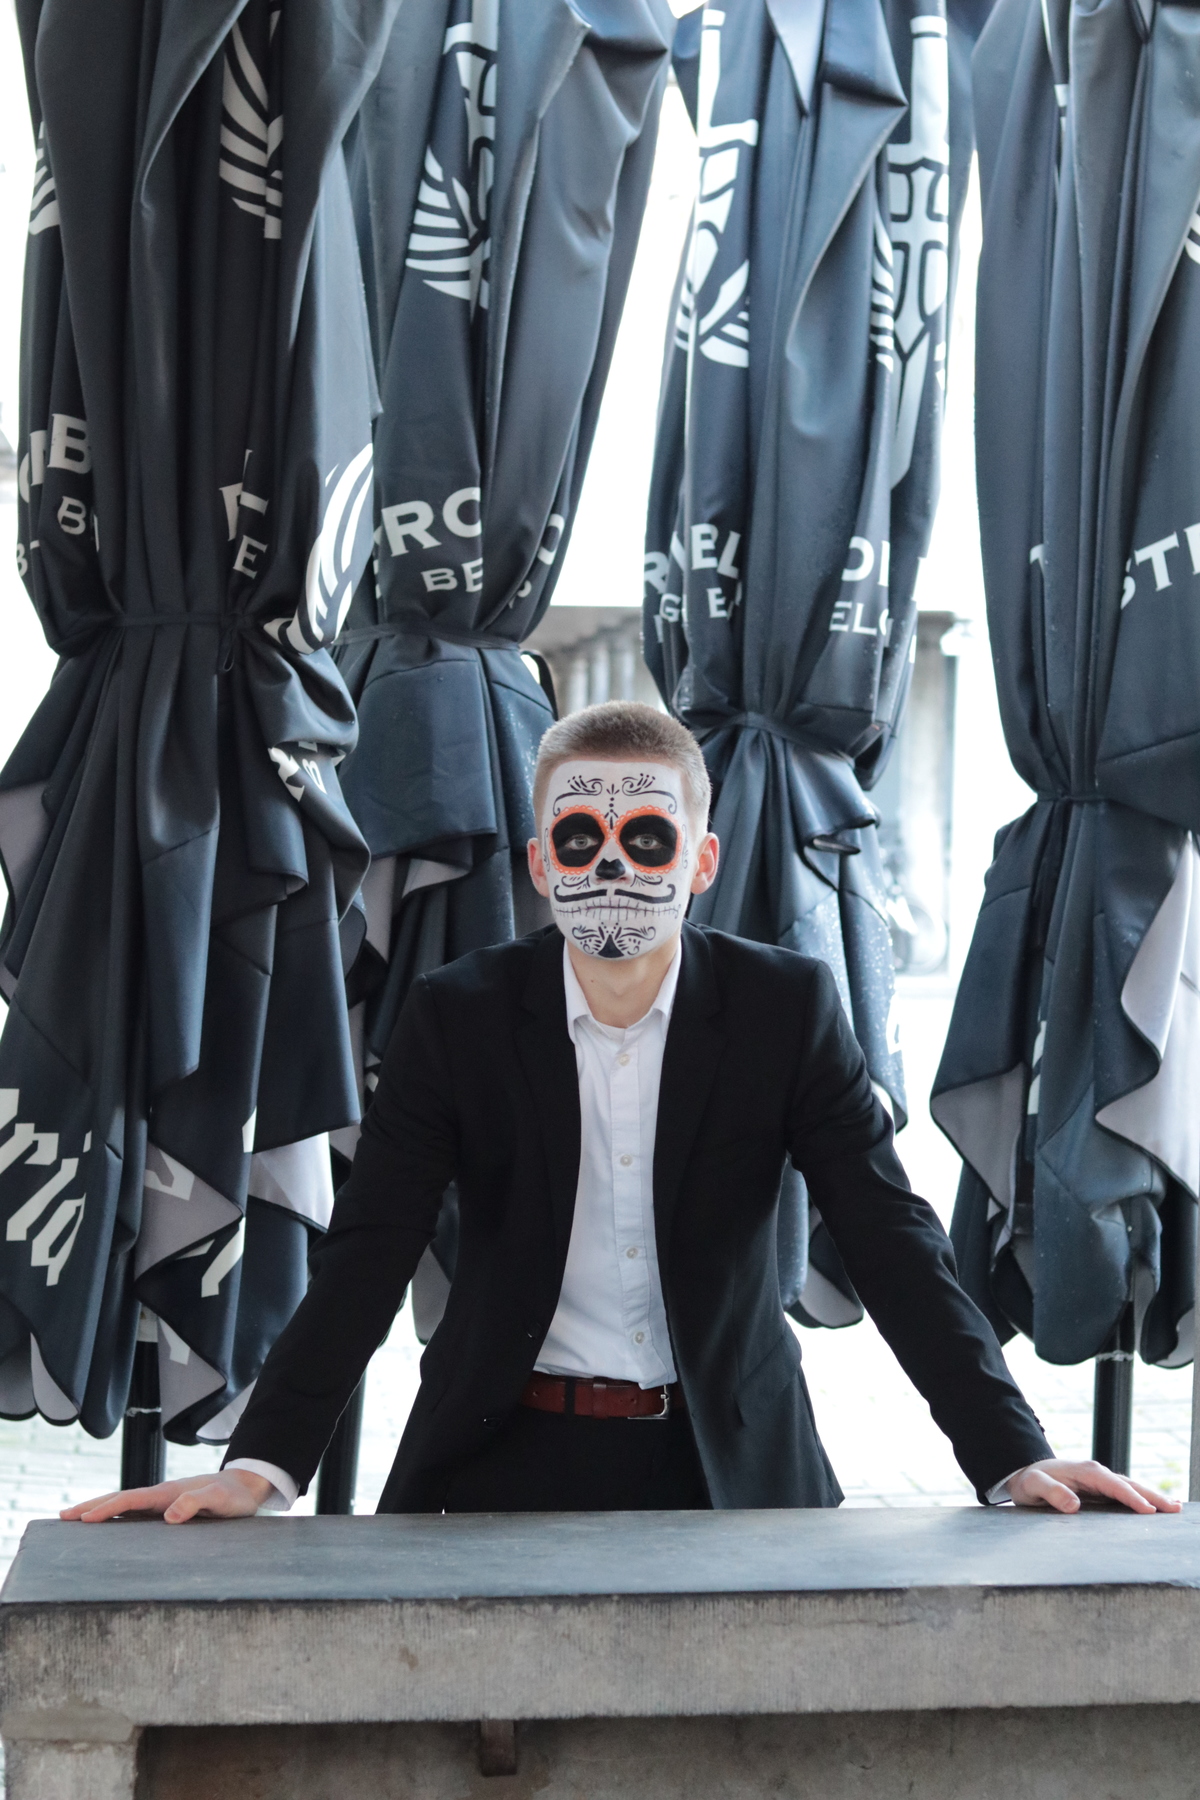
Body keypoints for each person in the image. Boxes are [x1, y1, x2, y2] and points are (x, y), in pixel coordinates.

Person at [66, 703, 1176, 1525]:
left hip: (730, 1461)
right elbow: (368, 1250)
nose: (610, 866)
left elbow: (890, 1236)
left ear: (701, 861)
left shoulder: (786, 1008)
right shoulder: (457, 1016)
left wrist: (1010, 1451)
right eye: (579, 843)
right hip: (495, 1456)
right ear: (540, 865)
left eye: (646, 839)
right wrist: (262, 1467)